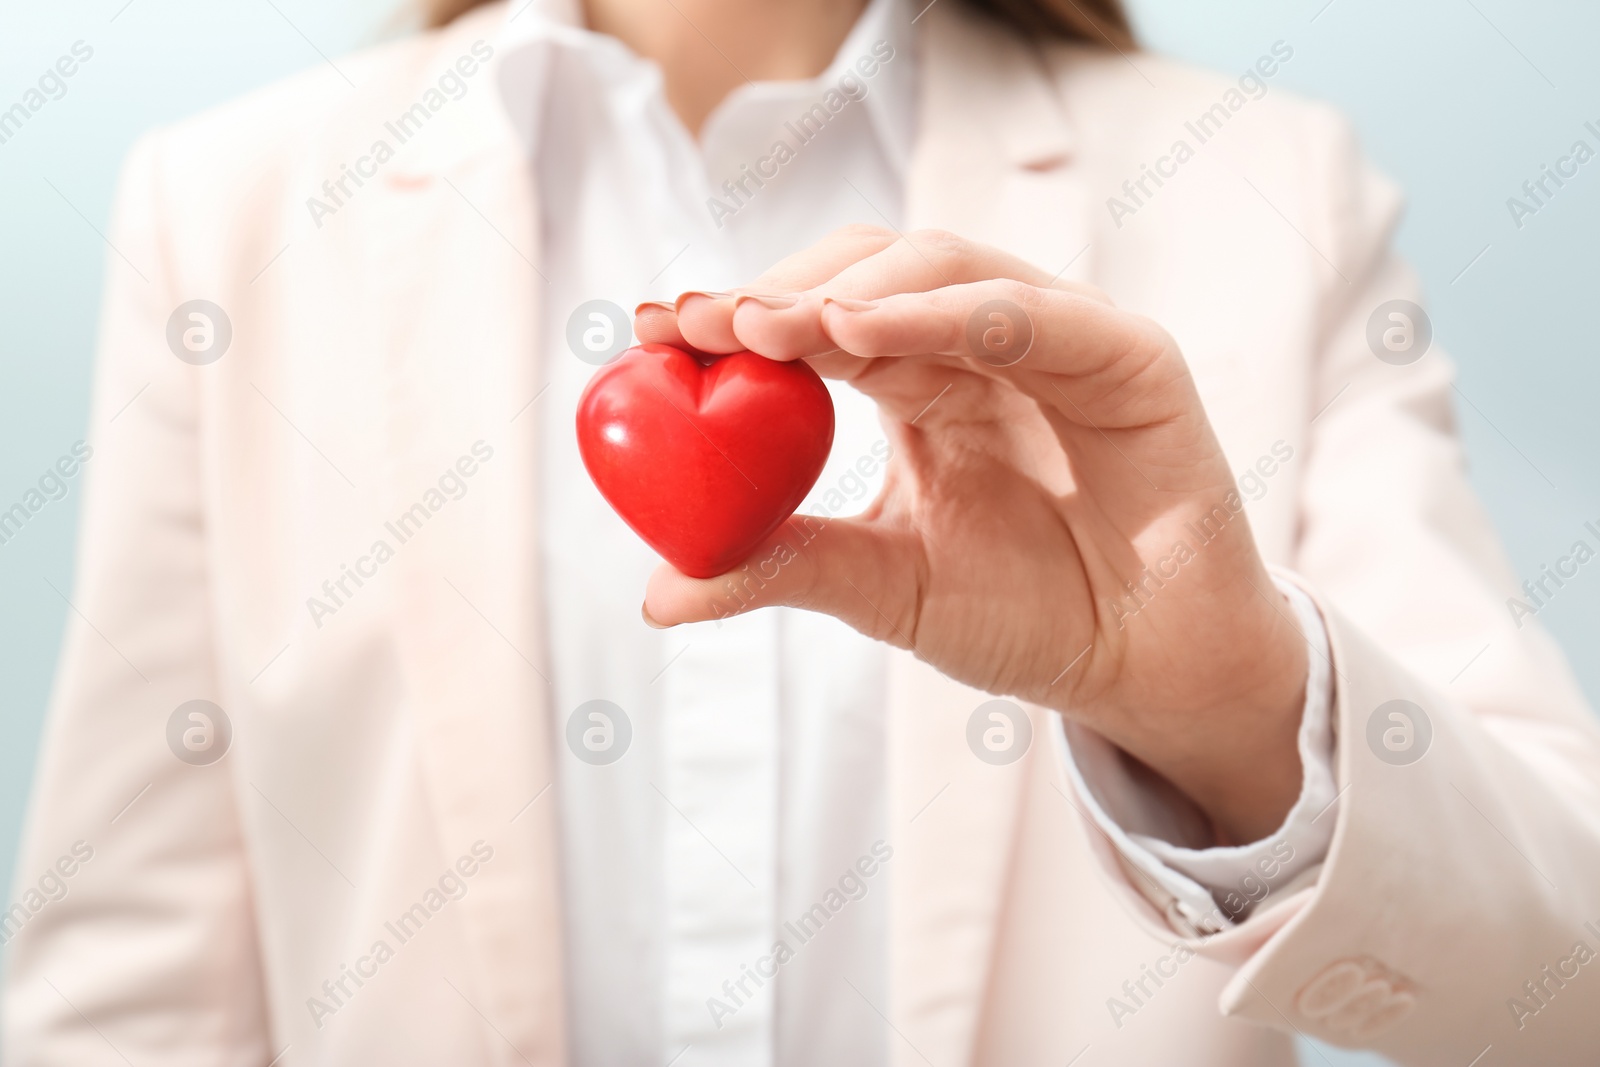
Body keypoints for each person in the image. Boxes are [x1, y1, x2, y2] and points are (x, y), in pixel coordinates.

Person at [5, 0, 1600, 1063]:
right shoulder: (234, 207)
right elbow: (126, 992)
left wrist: (1230, 712)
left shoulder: (1267, 183)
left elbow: (1568, 968)